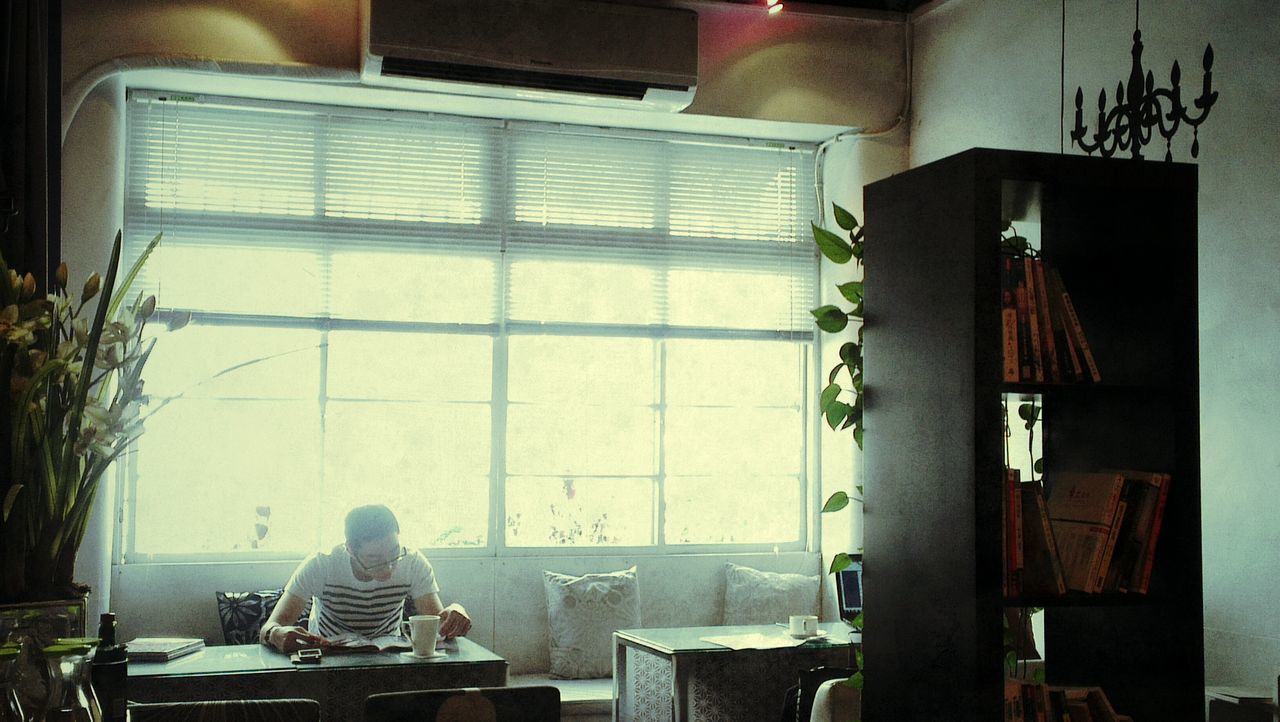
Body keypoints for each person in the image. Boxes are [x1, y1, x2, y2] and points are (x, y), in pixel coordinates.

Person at [260, 504, 472, 653]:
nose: (389, 567)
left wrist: (456, 611)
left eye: (394, 552)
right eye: (375, 559)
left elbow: (439, 626)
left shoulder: (413, 562)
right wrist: (276, 634)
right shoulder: (322, 564)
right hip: (330, 654)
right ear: (350, 549)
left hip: (388, 652)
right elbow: (270, 627)